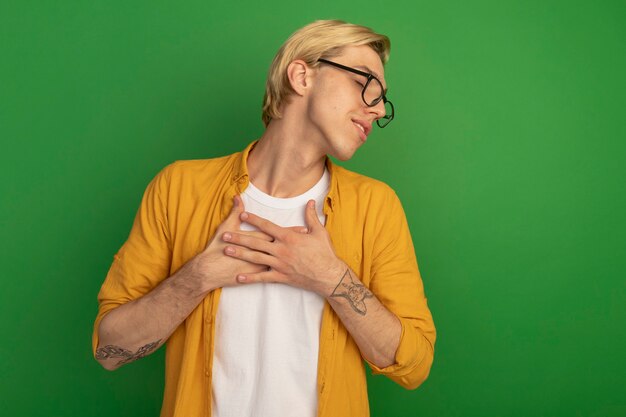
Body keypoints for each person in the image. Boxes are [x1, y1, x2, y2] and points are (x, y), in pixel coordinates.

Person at [93, 19, 436, 417]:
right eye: (367, 85)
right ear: (302, 75)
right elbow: (108, 350)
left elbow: (414, 365)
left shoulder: (376, 207)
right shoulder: (178, 189)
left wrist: (333, 278)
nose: (376, 110)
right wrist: (198, 276)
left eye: (381, 100)